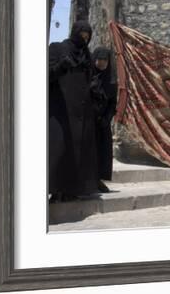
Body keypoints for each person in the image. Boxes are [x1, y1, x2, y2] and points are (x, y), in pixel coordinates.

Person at [48, 20, 98, 202]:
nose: (84, 40)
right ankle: (55, 190)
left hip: (82, 112)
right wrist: (61, 67)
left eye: (87, 37)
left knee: (78, 152)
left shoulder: (87, 55)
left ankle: (72, 190)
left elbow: (91, 79)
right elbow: (46, 76)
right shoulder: (57, 49)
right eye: (81, 36)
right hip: (61, 109)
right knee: (59, 150)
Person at [89, 46, 118, 193]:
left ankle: (99, 180)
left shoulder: (111, 81)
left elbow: (113, 103)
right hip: (87, 122)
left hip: (102, 123)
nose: (102, 63)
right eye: (100, 59)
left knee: (102, 152)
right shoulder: (87, 76)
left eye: (105, 60)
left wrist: (107, 118)